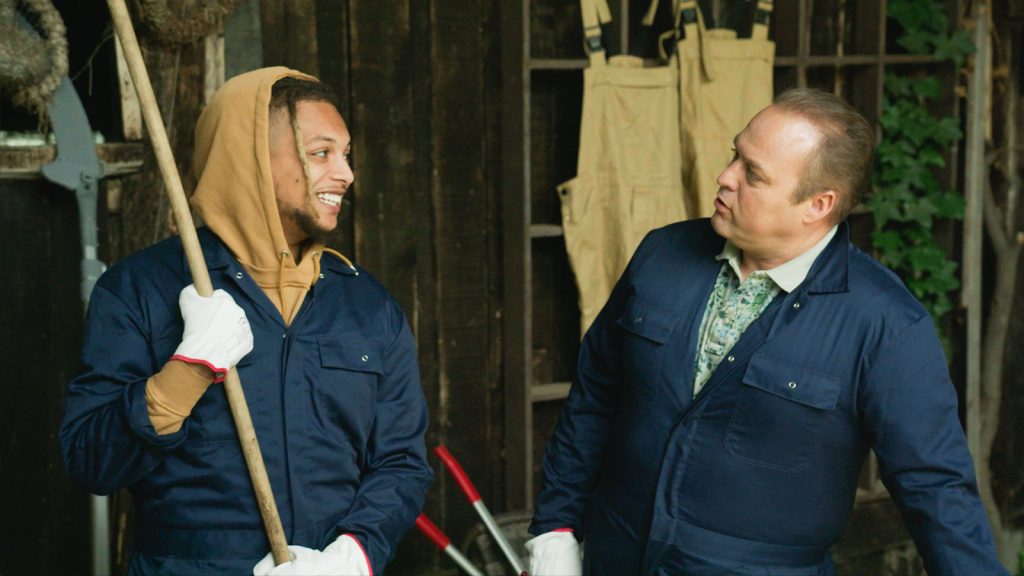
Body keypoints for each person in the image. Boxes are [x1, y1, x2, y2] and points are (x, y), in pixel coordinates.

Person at [525, 88, 1007, 576]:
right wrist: (555, 528)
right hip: (615, 553)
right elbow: (594, 396)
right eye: (735, 154)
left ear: (817, 204)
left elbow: (936, 489)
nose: (725, 176)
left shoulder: (884, 323)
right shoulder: (662, 253)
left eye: (753, 174)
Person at [60, 67, 433, 575]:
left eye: (346, 154)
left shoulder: (367, 306)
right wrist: (185, 373)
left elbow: (402, 462)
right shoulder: (143, 290)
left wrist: (352, 555)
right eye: (321, 153)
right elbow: (89, 462)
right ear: (252, 159)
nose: (345, 173)